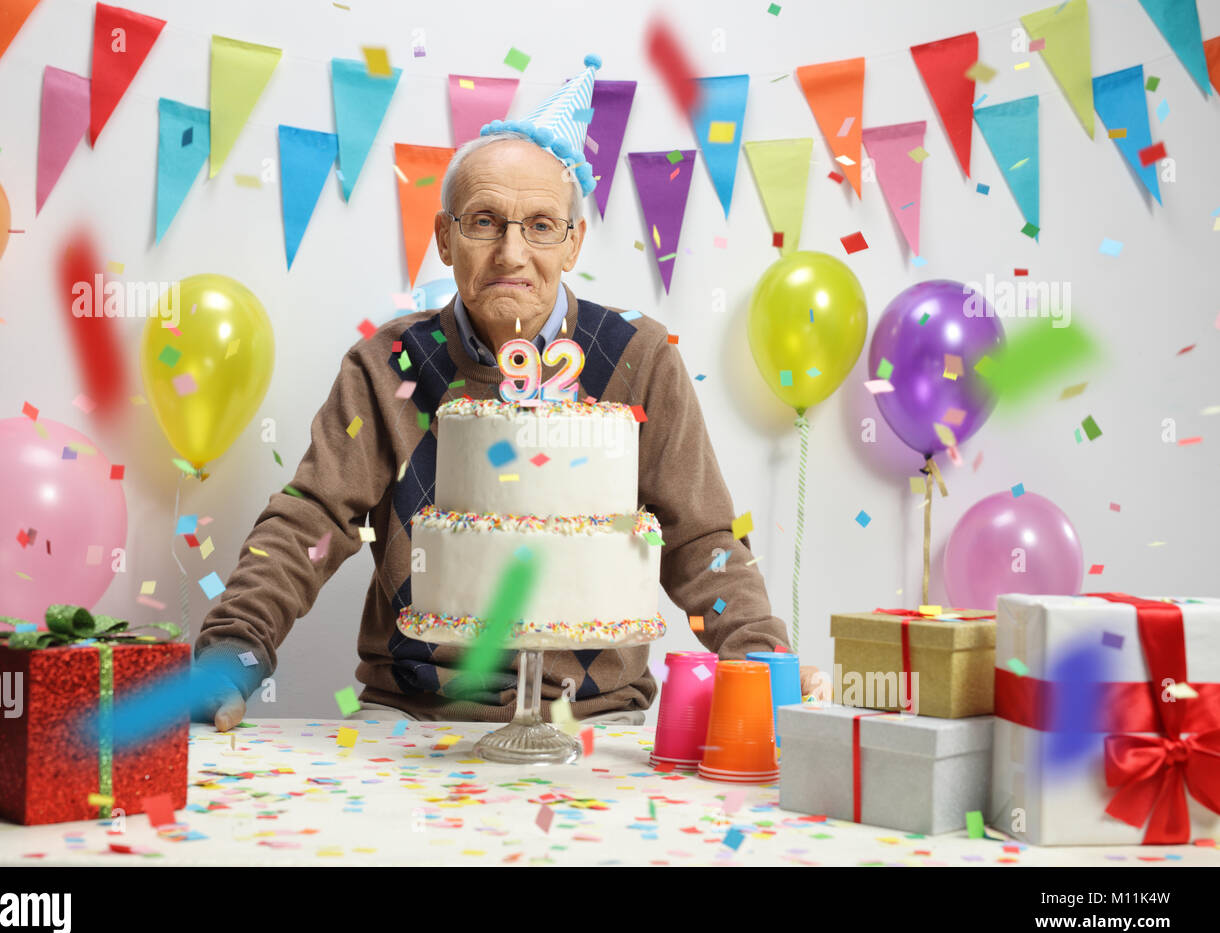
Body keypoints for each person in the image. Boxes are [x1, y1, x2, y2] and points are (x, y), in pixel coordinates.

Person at [192, 55, 832, 731]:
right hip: (414, 716)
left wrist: (763, 661)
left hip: (594, 719)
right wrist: (236, 645)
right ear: (444, 239)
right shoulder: (390, 364)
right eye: (484, 222)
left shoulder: (641, 360)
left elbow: (700, 540)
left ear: (573, 242)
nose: (511, 253)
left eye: (540, 226)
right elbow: (312, 520)